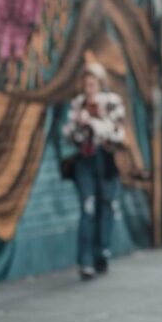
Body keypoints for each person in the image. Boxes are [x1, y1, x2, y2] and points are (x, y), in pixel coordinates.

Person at [63, 64, 125, 279]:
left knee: (105, 206)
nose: (88, 88)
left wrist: (96, 121)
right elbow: (69, 135)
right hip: (85, 161)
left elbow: (118, 134)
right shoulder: (78, 104)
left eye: (92, 84)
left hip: (105, 160)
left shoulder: (112, 103)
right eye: (85, 84)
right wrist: (80, 125)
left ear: (100, 83)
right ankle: (85, 261)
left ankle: (102, 253)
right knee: (87, 208)